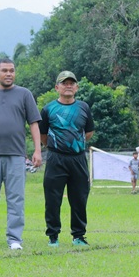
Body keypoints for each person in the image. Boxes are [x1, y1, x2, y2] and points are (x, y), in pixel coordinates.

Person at [0, 58, 42, 250]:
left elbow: (33, 123)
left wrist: (37, 150)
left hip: (16, 155)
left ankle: (14, 239)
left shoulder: (24, 94)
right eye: (4, 70)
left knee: (16, 198)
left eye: (12, 70)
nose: (9, 74)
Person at [40, 71, 95, 247]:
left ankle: (78, 236)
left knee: (79, 198)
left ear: (77, 87)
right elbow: (43, 135)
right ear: (57, 87)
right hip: (56, 159)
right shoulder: (48, 109)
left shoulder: (83, 107)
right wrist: (57, 146)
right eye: (64, 83)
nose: (68, 86)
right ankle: (53, 236)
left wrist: (75, 144)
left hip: (78, 159)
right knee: (52, 199)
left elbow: (89, 132)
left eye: (72, 83)